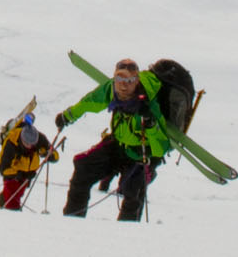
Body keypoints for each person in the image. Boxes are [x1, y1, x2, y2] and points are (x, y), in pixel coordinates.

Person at [56, 57, 171, 220]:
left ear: (136, 80)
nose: (124, 84)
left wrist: (151, 126)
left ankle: (124, 237)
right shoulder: (111, 89)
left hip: (141, 155)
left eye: (130, 80)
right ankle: (72, 222)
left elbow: (161, 148)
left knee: (132, 194)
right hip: (118, 145)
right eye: (120, 78)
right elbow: (90, 102)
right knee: (83, 168)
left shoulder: (149, 103)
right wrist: (68, 116)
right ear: (115, 78)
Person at [0, 113, 59, 209]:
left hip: (29, 173)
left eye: (32, 144)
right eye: (26, 143)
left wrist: (48, 155)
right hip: (13, 175)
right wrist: (17, 174)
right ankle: (12, 217)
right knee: (12, 200)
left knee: (18, 194)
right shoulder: (11, 142)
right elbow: (3, 169)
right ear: (21, 138)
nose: (29, 146)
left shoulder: (40, 138)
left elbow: (56, 156)